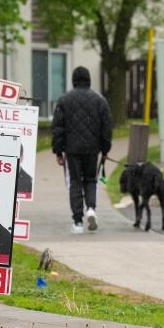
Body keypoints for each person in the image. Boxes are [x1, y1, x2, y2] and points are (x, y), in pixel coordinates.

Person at [51, 66, 112, 234]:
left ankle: (77, 221)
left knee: (75, 183)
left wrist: (58, 151)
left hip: (72, 150)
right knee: (91, 180)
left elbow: (58, 128)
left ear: (73, 80)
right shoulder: (100, 100)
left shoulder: (64, 100)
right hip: (92, 149)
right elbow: (106, 128)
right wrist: (105, 150)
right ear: (89, 80)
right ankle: (91, 208)